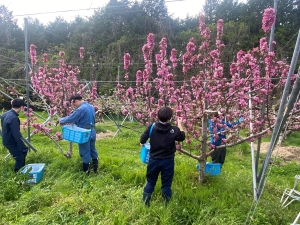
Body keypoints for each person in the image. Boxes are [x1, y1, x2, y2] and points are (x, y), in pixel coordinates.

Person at [140, 107, 185, 206]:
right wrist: (180, 124)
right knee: (166, 184)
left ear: (158, 116)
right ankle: (166, 205)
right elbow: (182, 137)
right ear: (170, 118)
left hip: (154, 160)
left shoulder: (152, 126)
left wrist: (142, 143)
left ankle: (145, 204)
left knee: (150, 182)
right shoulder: (174, 129)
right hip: (168, 161)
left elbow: (143, 138)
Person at [59, 95, 99, 173]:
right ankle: (95, 170)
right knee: (92, 149)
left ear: (76, 101)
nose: (74, 106)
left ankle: (86, 172)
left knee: (84, 152)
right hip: (92, 131)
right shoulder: (91, 107)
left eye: (74, 104)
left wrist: (61, 120)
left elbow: (72, 118)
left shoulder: (81, 109)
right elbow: (85, 118)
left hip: (84, 133)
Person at [1, 98, 28, 171]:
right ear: (21, 107)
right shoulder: (14, 118)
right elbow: (16, 134)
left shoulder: (5, 114)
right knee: (20, 157)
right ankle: (18, 173)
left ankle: (21, 170)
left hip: (6, 139)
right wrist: (22, 146)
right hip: (11, 141)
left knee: (20, 154)